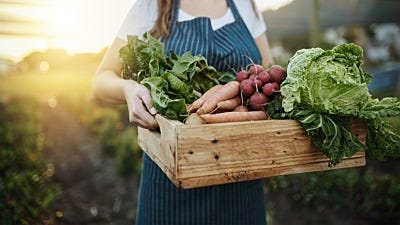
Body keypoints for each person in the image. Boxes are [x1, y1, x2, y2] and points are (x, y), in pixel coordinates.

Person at [92, 0, 274, 224]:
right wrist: (129, 89)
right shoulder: (152, 6)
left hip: (242, 175)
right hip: (171, 176)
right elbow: (101, 79)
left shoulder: (245, 4)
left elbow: (267, 72)